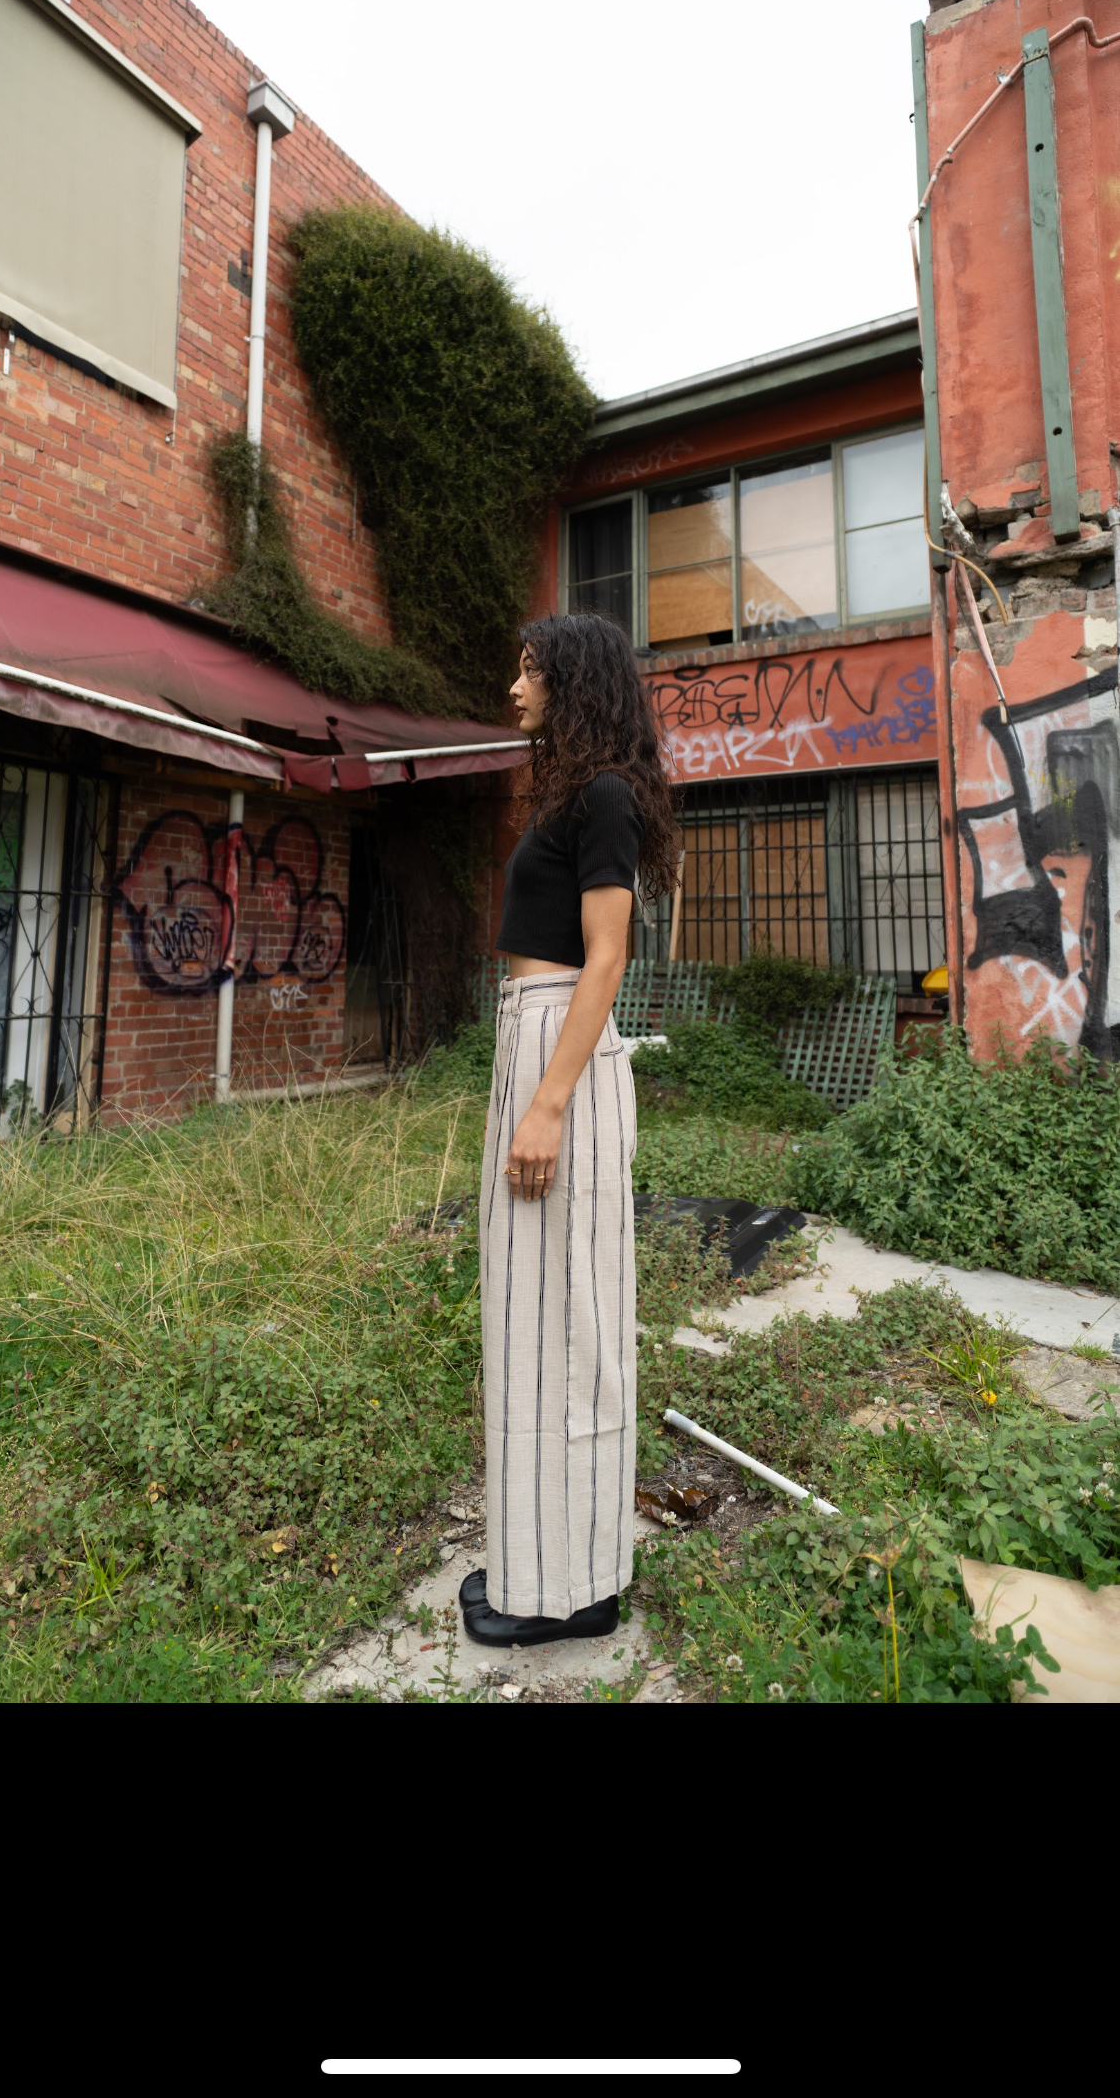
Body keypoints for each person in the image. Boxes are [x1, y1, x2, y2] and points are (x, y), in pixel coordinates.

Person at [460, 612, 681, 1648]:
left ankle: (573, 1589)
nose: (515, 690)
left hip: (563, 1053)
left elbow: (607, 957)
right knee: (528, 1318)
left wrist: (548, 1102)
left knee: (569, 1324)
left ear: (573, 681)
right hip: (535, 1042)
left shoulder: (602, 797)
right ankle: (538, 1561)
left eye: (528, 672)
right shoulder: (570, 791)